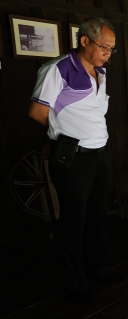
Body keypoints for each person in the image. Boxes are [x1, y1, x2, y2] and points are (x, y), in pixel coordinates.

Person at [27, 17, 120, 303]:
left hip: (99, 154)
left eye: (111, 49)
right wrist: (58, 136)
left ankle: (99, 268)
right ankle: (75, 283)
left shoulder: (100, 72)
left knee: (95, 217)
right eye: (104, 47)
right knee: (72, 221)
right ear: (84, 41)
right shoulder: (58, 69)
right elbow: (38, 112)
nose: (107, 53)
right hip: (74, 158)